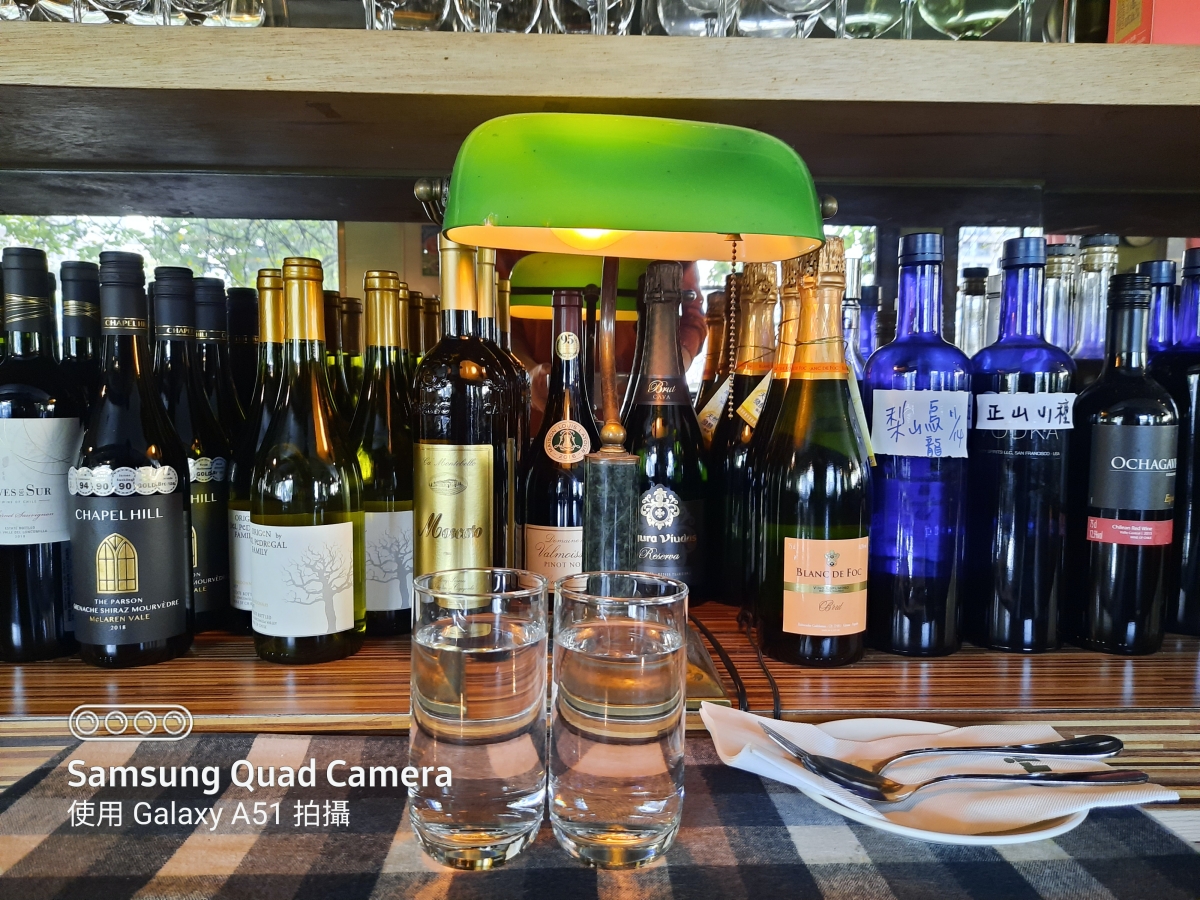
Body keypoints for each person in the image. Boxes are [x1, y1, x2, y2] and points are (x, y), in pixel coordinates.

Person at [504, 255, 707, 434]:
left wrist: (666, 373)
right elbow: (505, 323)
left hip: (636, 412)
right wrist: (527, 372)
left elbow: (692, 320)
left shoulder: (670, 242)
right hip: (546, 413)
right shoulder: (518, 236)